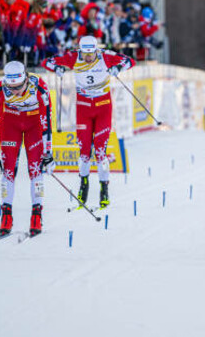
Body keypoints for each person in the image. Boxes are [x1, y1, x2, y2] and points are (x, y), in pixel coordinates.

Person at [41, 36, 135, 209]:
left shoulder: (105, 55)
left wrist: (118, 67)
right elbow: (46, 61)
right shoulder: (73, 56)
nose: (88, 57)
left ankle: (104, 188)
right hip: (84, 109)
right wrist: (57, 68)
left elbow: (131, 61)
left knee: (100, 150)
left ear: (96, 50)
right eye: (85, 54)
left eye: (91, 53)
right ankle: (83, 186)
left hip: (103, 108)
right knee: (84, 151)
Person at [0, 61, 54, 237]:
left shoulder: (39, 87)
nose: (15, 91)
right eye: (11, 87)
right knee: (8, 170)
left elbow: (46, 121)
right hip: (12, 124)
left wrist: (48, 153)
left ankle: (36, 215)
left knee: (35, 169)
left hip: (34, 123)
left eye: (18, 86)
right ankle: (6, 217)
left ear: (26, 79)